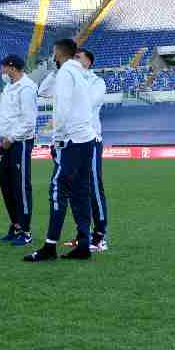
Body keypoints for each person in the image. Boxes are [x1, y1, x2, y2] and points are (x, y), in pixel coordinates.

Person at [24, 38, 97, 262]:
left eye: (54, 53)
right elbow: (44, 90)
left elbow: (62, 106)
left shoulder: (67, 72)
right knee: (81, 192)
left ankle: (49, 246)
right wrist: (55, 71)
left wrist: (57, 138)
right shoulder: (79, 72)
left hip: (71, 140)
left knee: (58, 190)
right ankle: (84, 244)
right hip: (86, 139)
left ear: (58, 53)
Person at [0, 54, 38, 247]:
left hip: (20, 142)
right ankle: (16, 225)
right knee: (6, 185)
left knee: (21, 186)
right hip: (6, 142)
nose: (1, 70)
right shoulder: (9, 87)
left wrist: (11, 138)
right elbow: (5, 119)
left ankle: (26, 231)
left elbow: (28, 121)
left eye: (3, 66)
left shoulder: (26, 88)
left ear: (12, 67)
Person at [65, 47, 109, 252]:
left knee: (93, 185)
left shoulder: (97, 82)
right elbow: (44, 91)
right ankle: (83, 234)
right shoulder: (68, 78)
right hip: (72, 140)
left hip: (90, 139)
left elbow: (88, 105)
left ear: (88, 62)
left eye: (77, 57)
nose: (73, 59)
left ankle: (100, 235)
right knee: (77, 188)